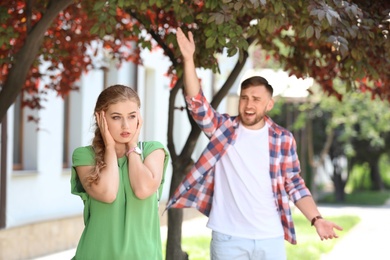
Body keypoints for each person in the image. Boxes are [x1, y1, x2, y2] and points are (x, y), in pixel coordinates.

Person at [166, 28, 343, 260]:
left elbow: (294, 185)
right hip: (228, 238)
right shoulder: (223, 129)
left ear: (269, 104)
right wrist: (189, 60)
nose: (249, 105)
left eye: (256, 99)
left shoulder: (283, 139)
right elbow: (197, 105)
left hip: (270, 238)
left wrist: (316, 219)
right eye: (245, 98)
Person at [71, 84, 169, 260]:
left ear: (139, 118)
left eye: (132, 117)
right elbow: (108, 193)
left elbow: (142, 190)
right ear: (100, 117)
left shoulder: (153, 151)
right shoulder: (84, 156)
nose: (126, 125)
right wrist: (109, 147)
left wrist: (132, 146)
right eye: (116, 117)